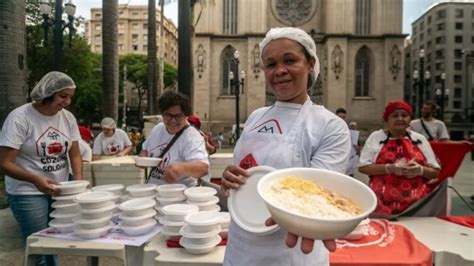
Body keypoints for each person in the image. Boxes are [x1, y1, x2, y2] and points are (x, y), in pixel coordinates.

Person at [221, 27, 351, 265]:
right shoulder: (256, 116)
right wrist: (230, 176)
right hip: (241, 246)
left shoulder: (329, 126)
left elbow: (319, 196)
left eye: (290, 61)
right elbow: (245, 168)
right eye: (271, 64)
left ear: (310, 64)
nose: (280, 71)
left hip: (293, 250)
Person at [0, 71, 82, 266]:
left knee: (54, 242)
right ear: (47, 93)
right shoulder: (20, 118)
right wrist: (35, 179)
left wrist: (78, 181)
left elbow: (75, 153)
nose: (67, 102)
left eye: (70, 96)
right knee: (38, 247)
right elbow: (4, 163)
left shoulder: (67, 118)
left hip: (59, 188)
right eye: (63, 96)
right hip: (27, 191)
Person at [358, 100, 443, 218]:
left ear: (410, 119)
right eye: (394, 115)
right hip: (382, 204)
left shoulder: (420, 139)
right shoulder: (376, 137)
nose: (400, 118)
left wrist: (420, 170)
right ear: (387, 119)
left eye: (404, 115)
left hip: (417, 206)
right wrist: (389, 168)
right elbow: (363, 167)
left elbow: (435, 173)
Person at [139, 90, 209, 187]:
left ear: (185, 116)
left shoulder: (192, 137)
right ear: (162, 114)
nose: (173, 120)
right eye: (168, 115)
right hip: (154, 190)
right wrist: (142, 159)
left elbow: (203, 168)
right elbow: (145, 149)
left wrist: (181, 168)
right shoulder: (158, 128)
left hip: (179, 195)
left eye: (178, 116)